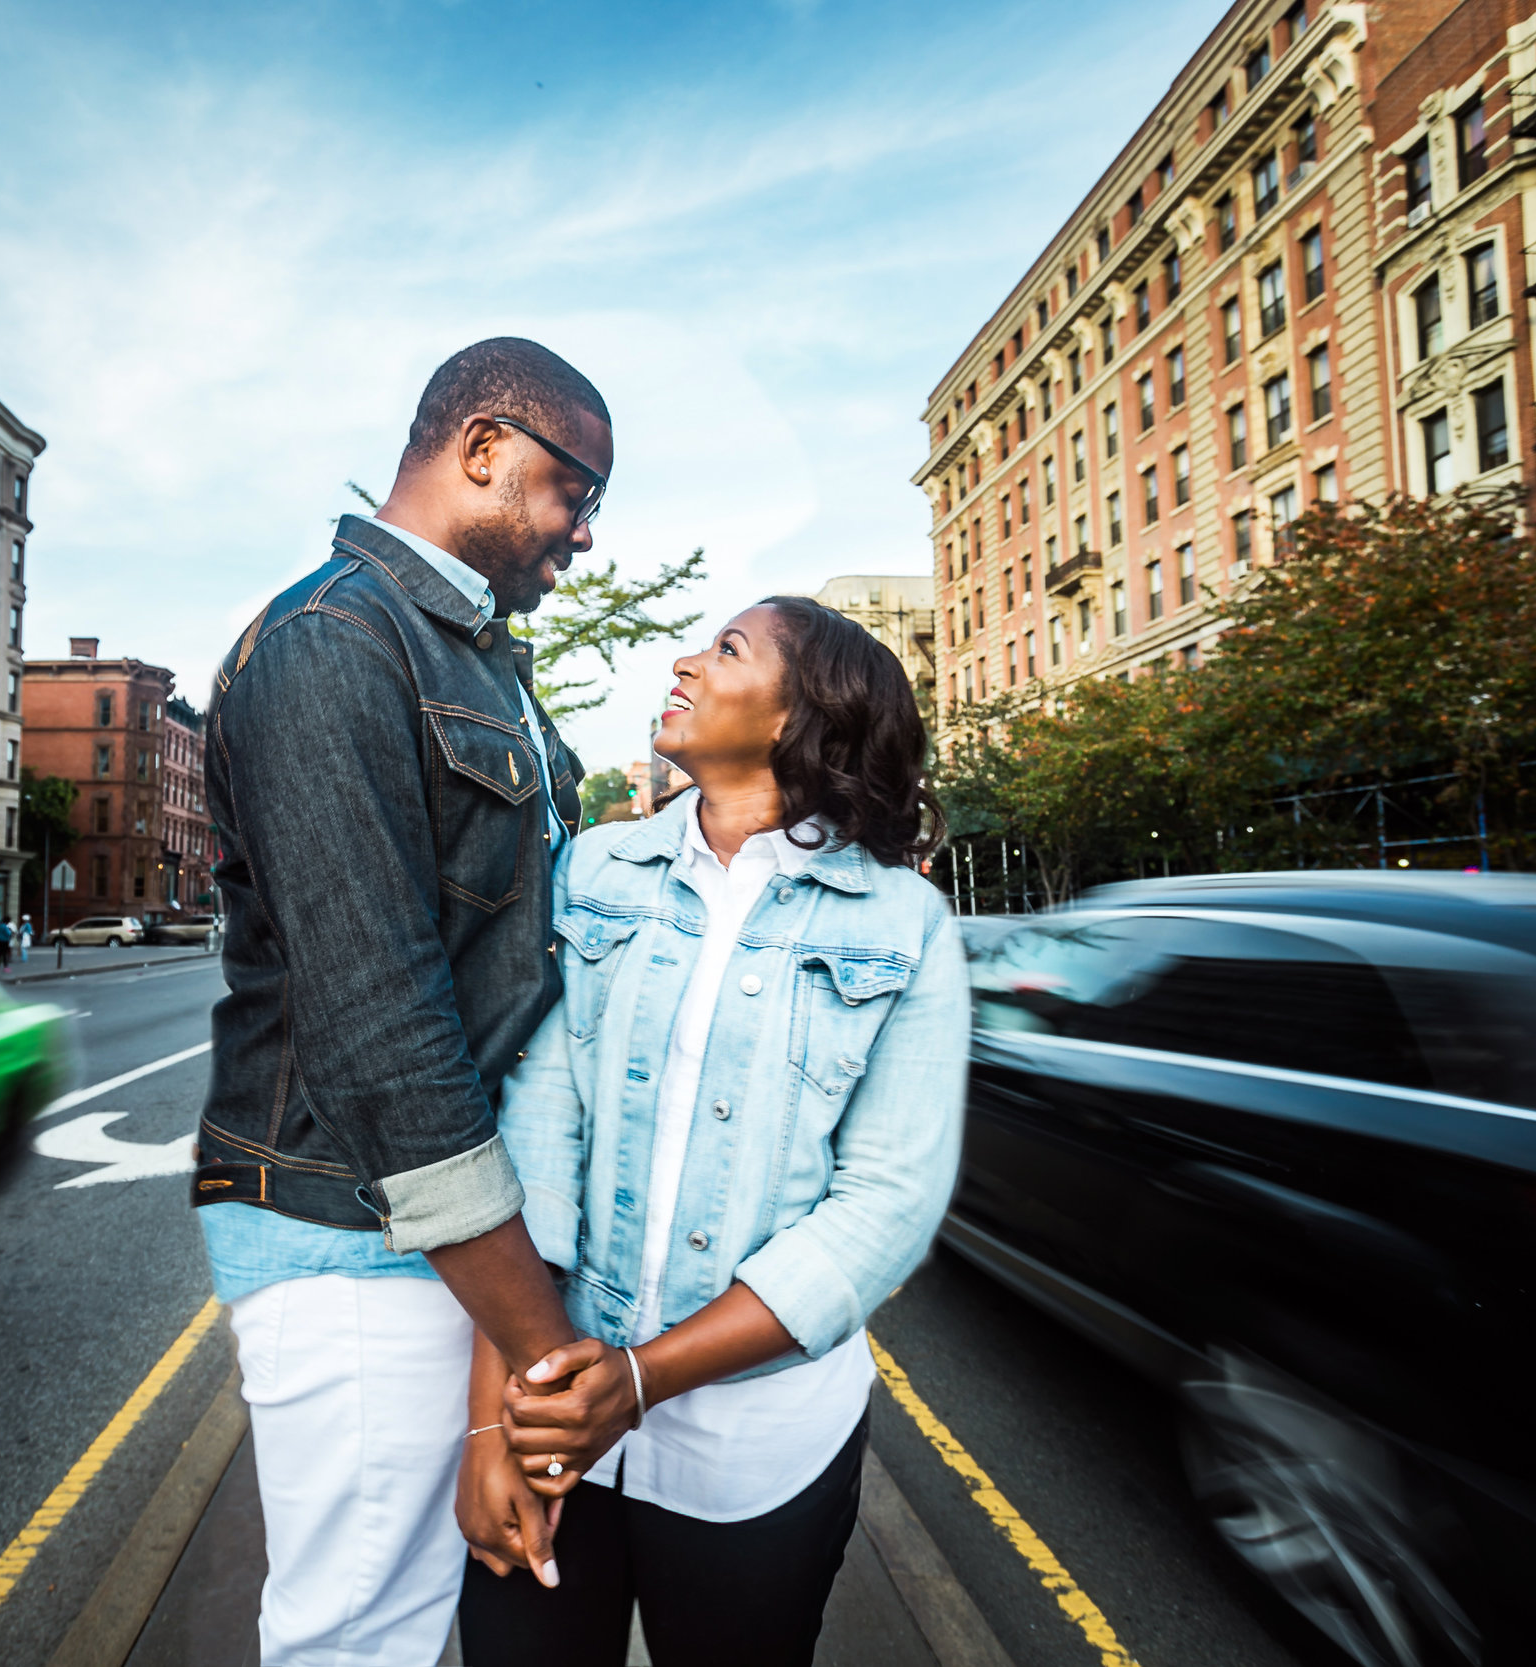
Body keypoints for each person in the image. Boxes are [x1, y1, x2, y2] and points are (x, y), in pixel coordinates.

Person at [193, 338, 614, 1663]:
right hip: (347, 1227)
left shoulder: (473, 656)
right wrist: (546, 1349)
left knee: (425, 1615)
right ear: (481, 447)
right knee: (359, 1636)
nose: (586, 535)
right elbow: (380, 1027)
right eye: (575, 488)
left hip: (433, 1242)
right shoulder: (332, 639)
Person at [456, 598, 966, 1666]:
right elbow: (537, 1129)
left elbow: (885, 1206)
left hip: (761, 1450)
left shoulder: (903, 923)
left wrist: (641, 1378)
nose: (685, 659)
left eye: (727, 648)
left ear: (798, 715)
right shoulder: (595, 872)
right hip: (553, 1416)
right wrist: (495, 1417)